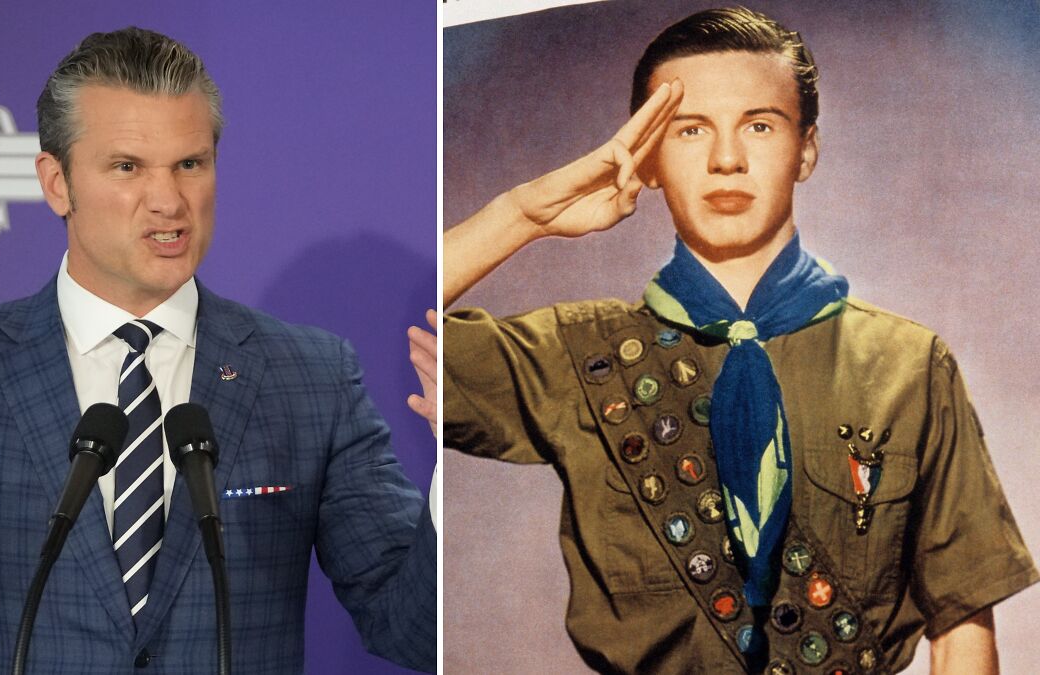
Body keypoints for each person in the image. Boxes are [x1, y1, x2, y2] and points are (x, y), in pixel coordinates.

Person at [443, 7, 1035, 674]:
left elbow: (962, 625)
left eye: (759, 125)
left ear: (806, 148)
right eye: (690, 130)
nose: (727, 159)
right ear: (650, 158)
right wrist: (522, 213)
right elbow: (353, 341)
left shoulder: (907, 365)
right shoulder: (578, 357)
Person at [0, 27, 436, 674]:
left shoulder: (311, 376)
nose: (169, 201)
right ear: (56, 182)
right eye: (128, 167)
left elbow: (411, 629)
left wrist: (454, 475)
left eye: (191, 163)